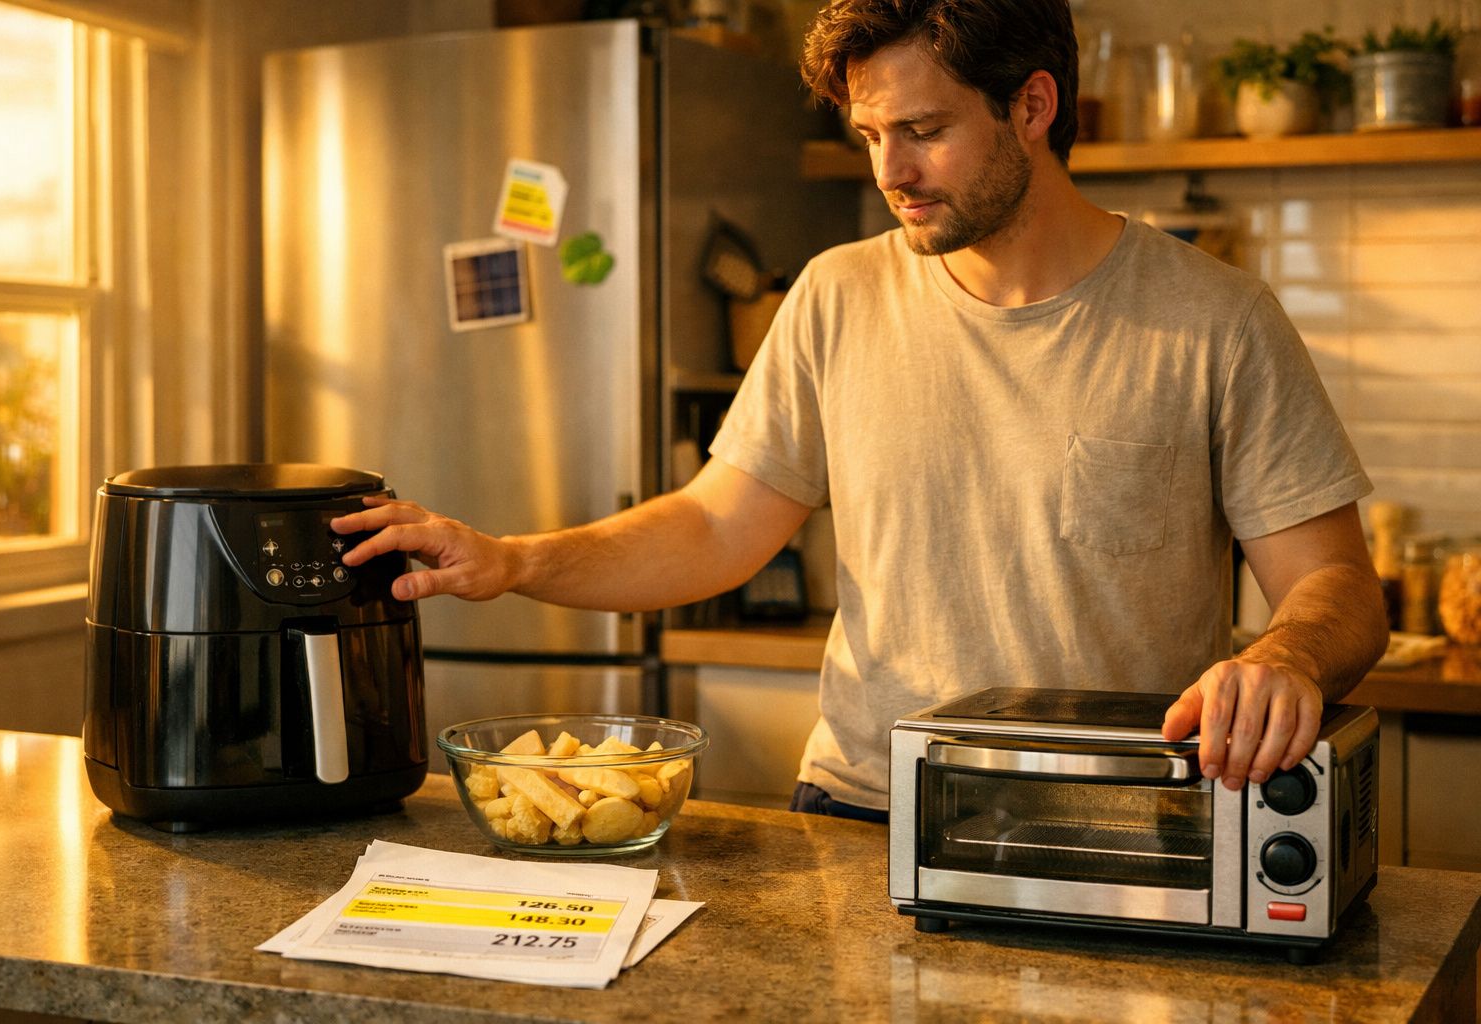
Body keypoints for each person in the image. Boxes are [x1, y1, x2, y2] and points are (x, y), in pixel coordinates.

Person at [333, 0, 1387, 822]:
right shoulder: (836, 295)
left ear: (1031, 105)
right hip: (861, 811)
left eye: (923, 130)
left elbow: (1338, 586)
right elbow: (714, 526)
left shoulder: (1217, 319)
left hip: (1110, 824)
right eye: (870, 133)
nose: (890, 172)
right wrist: (515, 560)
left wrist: (1285, 657)